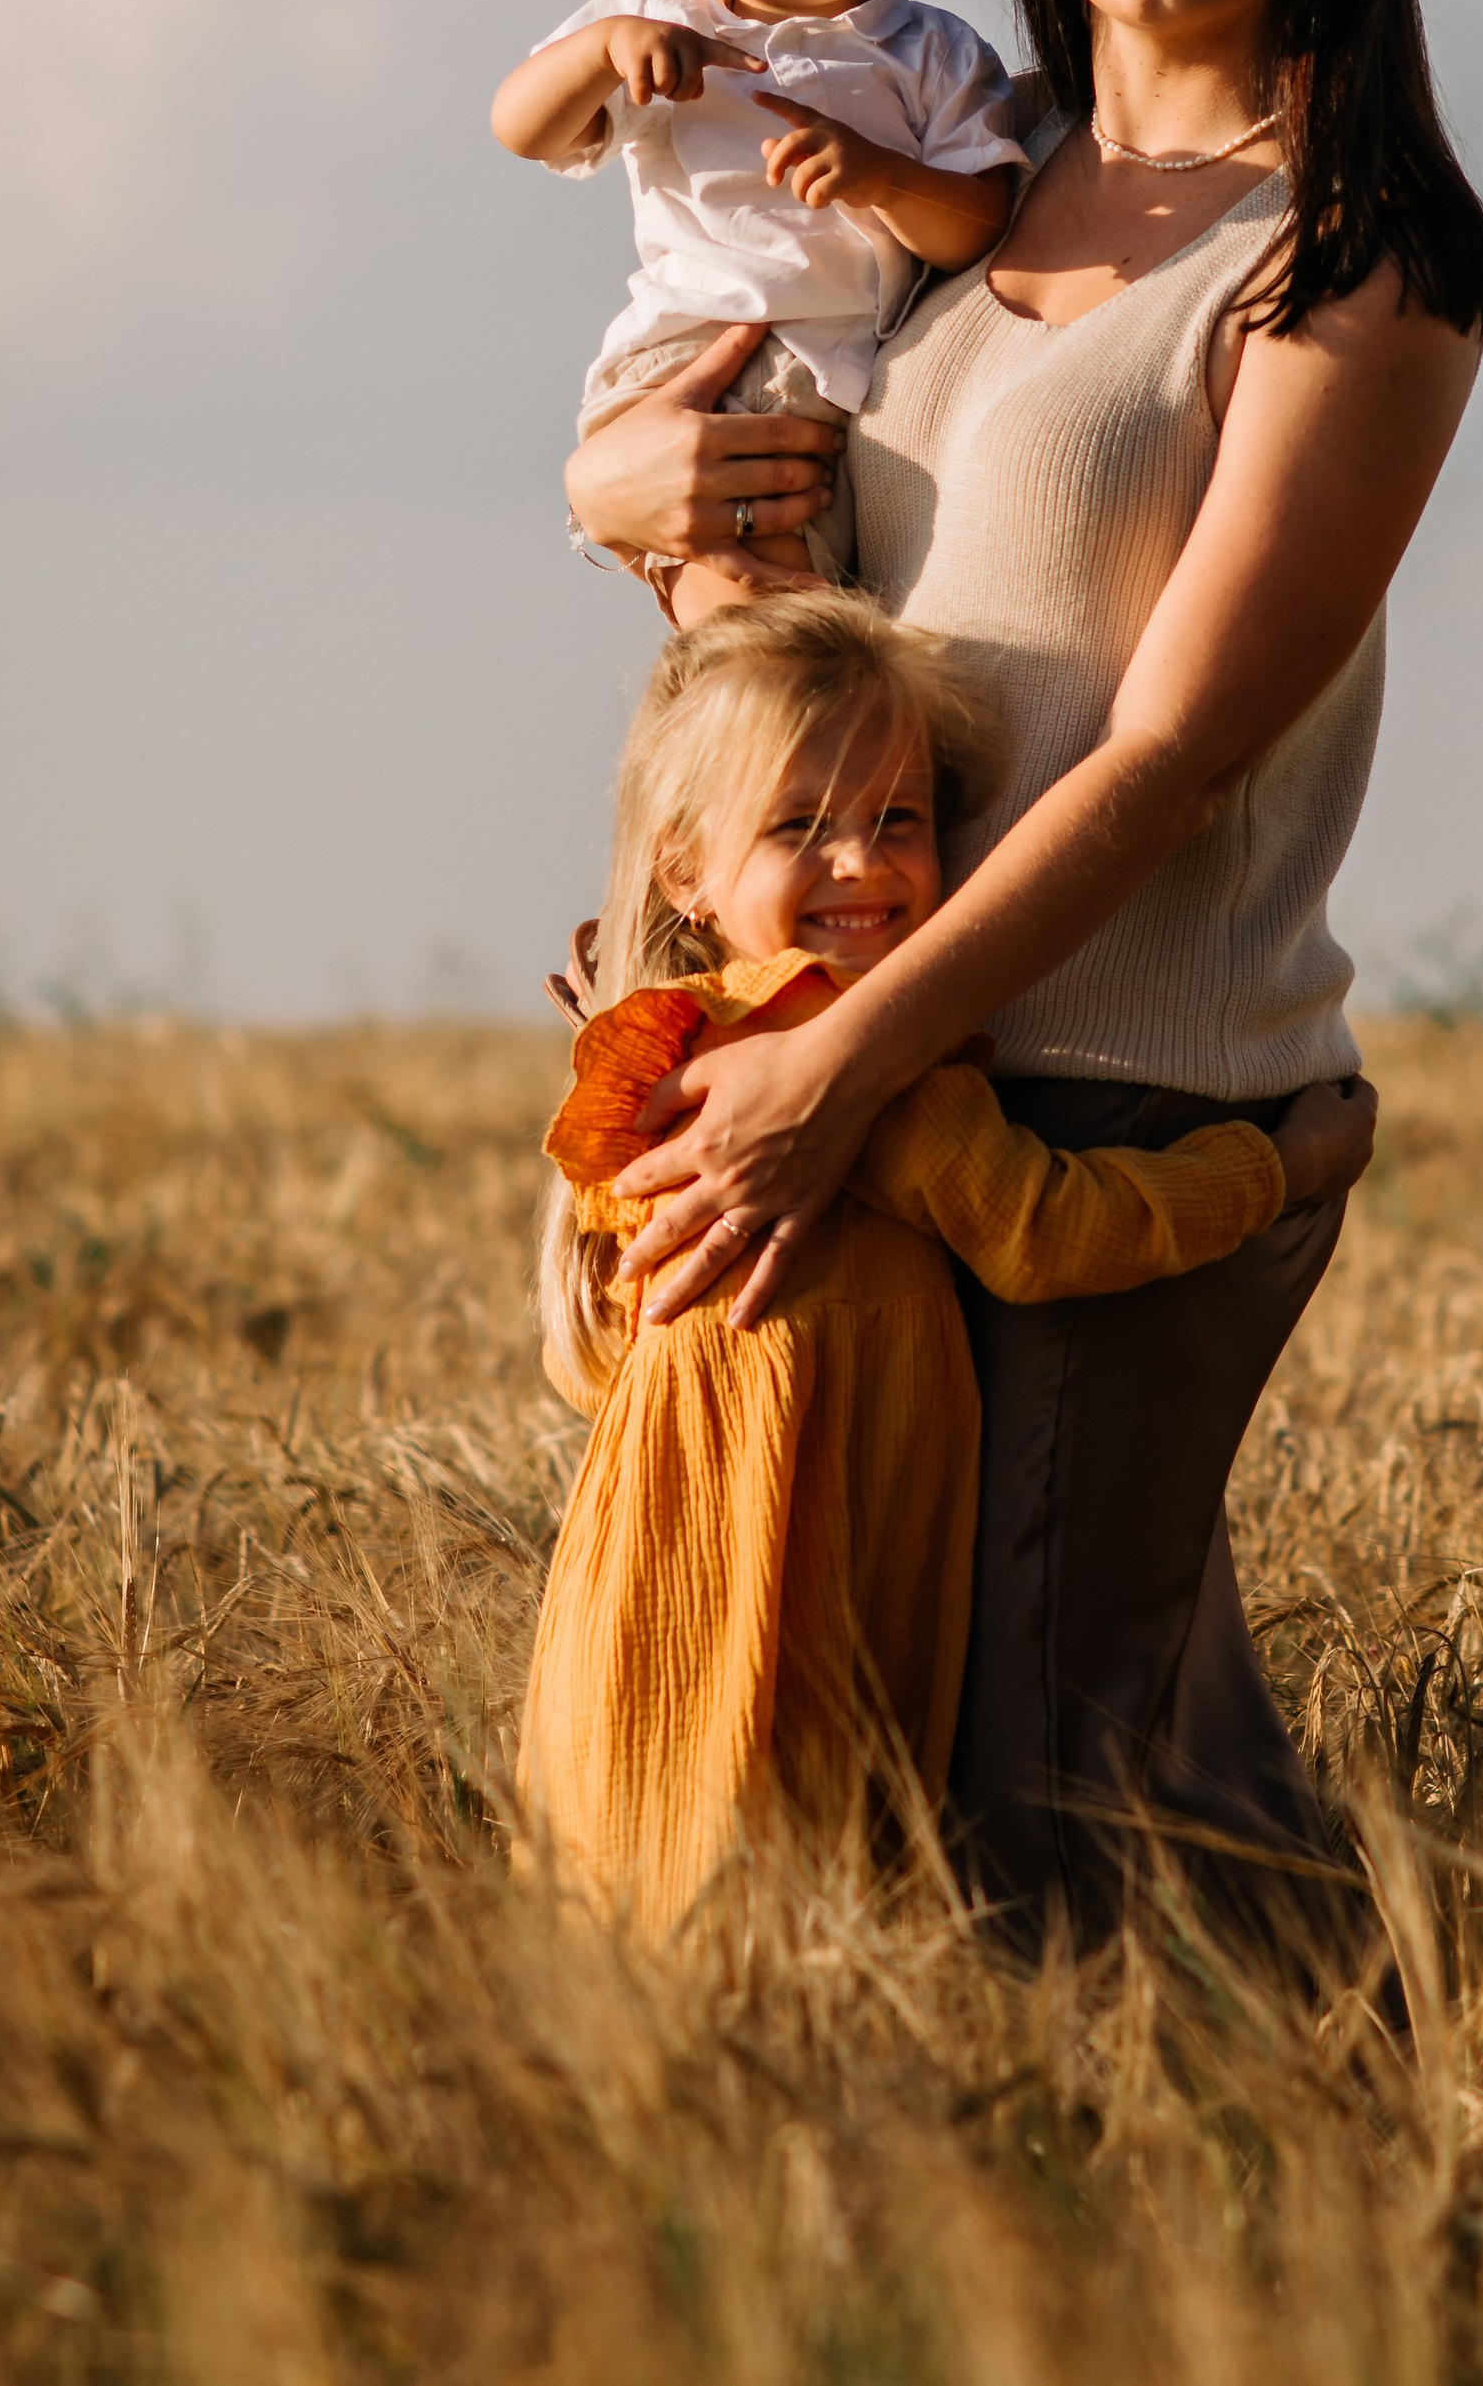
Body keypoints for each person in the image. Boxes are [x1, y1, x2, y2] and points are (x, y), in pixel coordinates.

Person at [560, 0, 1483, 1945]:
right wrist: (620, 506)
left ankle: (1308, 2258)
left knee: (1052, 1812)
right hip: (866, 1063)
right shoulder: (963, 218)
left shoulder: (1348, 255)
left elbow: (1178, 737)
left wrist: (848, 1063)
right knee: (964, 1770)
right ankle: (1401, 2222)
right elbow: (802, 624)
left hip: (1093, 1083)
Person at [516, 591, 1373, 1935]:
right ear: (684, 864)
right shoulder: (849, 1071)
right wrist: (1281, 1170)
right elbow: (1046, 1229)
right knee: (791, 1912)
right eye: (799, 826)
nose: (861, 865)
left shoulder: (676, 1046)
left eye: (897, 820)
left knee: (652, 1915)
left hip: (652, 1586)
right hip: (792, 1598)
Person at [490, 0, 1027, 622]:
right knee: (753, 597)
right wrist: (603, 52)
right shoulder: (657, 29)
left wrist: (880, 178)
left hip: (838, 387)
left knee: (810, 608)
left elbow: (977, 222)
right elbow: (522, 128)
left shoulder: (934, 52)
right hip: (697, 354)